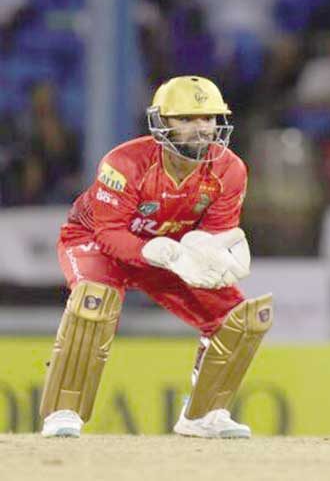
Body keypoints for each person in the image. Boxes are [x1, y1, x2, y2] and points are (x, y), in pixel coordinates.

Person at [40, 75, 273, 439]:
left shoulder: (230, 170)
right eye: (187, 119)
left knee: (238, 319)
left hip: (170, 252)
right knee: (94, 304)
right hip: (97, 242)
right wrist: (157, 251)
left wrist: (214, 258)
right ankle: (63, 411)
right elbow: (110, 233)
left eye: (209, 118)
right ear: (162, 123)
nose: (202, 129)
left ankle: (204, 415)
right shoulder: (124, 162)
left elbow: (213, 234)